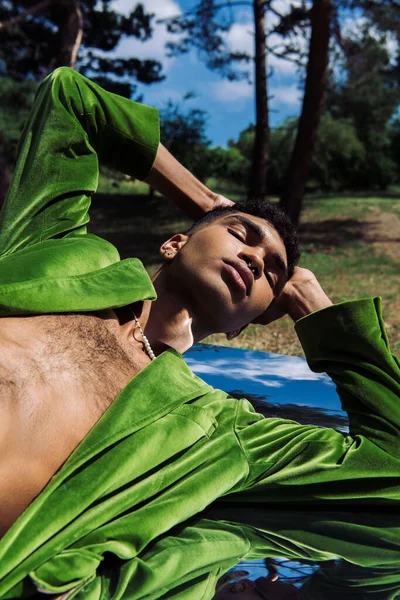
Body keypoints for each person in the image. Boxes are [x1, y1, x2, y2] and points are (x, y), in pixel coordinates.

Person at [0, 67, 399, 599]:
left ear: (249, 322)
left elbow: (391, 479)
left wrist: (312, 302)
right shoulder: (57, 252)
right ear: (173, 243)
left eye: (273, 271)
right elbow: (71, 100)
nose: (256, 258)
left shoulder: (216, 430)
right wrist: (207, 202)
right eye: (242, 236)